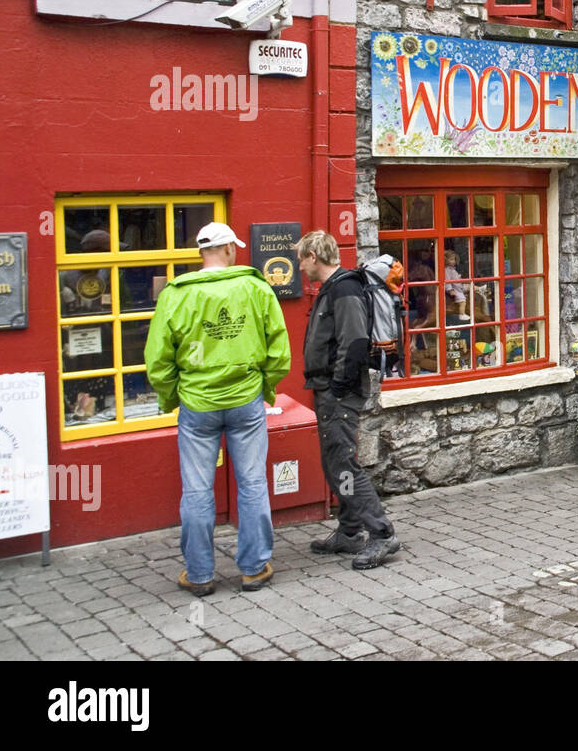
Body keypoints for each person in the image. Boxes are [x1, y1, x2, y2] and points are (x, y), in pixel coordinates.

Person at [144, 222, 290, 596]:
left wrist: (172, 396)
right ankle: (254, 569)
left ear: (201, 253)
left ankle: (199, 574)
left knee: (196, 490)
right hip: (245, 399)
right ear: (226, 249)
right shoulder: (256, 288)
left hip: (198, 403)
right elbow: (279, 350)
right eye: (235, 247)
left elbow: (158, 359)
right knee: (253, 483)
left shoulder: (176, 295)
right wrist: (265, 387)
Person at [297, 230, 401, 569]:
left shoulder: (344, 288)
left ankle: (381, 533)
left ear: (314, 255)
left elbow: (355, 341)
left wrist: (338, 387)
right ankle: (349, 530)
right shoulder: (335, 288)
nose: (300, 266)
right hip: (329, 389)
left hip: (337, 392)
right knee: (334, 461)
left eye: (302, 258)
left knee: (343, 462)